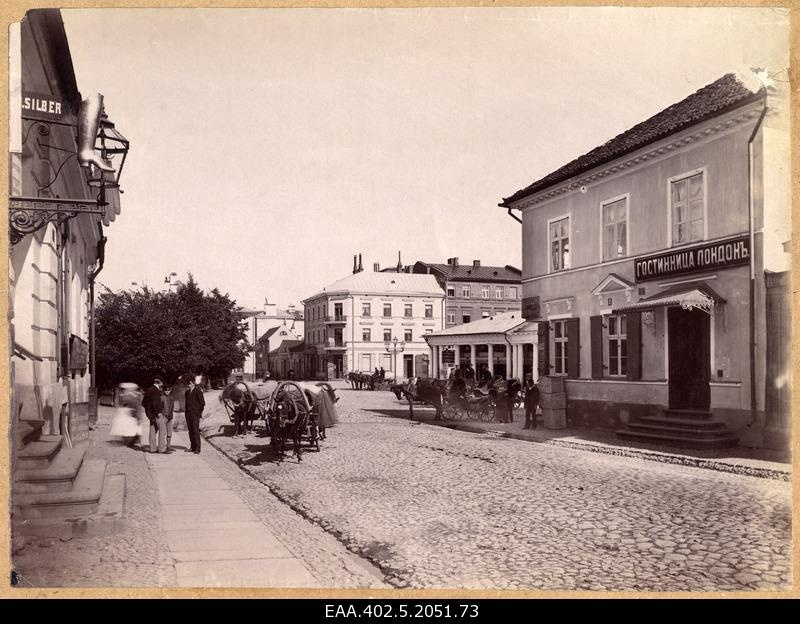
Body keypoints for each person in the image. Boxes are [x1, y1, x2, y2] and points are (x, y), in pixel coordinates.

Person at [142, 378, 166, 453]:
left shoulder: (149, 389)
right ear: (160, 382)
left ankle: (152, 449)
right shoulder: (156, 390)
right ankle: (161, 449)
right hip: (157, 414)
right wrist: (158, 412)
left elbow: (143, 402)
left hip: (151, 415)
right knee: (163, 430)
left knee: (153, 431)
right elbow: (155, 403)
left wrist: (149, 412)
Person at [185, 376, 206, 453]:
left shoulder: (198, 391)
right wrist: (186, 414)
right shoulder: (187, 393)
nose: (188, 385)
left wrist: (198, 413)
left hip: (195, 415)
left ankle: (198, 448)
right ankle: (192, 447)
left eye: (190, 383)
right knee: (190, 431)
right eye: (188, 384)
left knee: (195, 430)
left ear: (193, 383)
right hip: (188, 415)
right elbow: (186, 404)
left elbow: (202, 403)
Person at [161, 385, 175, 451]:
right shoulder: (161, 397)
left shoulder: (172, 398)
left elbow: (172, 407)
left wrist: (171, 415)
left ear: (170, 390)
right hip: (164, 417)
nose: (167, 392)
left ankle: (168, 446)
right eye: (166, 390)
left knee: (169, 432)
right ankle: (162, 447)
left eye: (168, 390)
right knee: (163, 433)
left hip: (170, 417)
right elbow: (159, 407)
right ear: (164, 390)